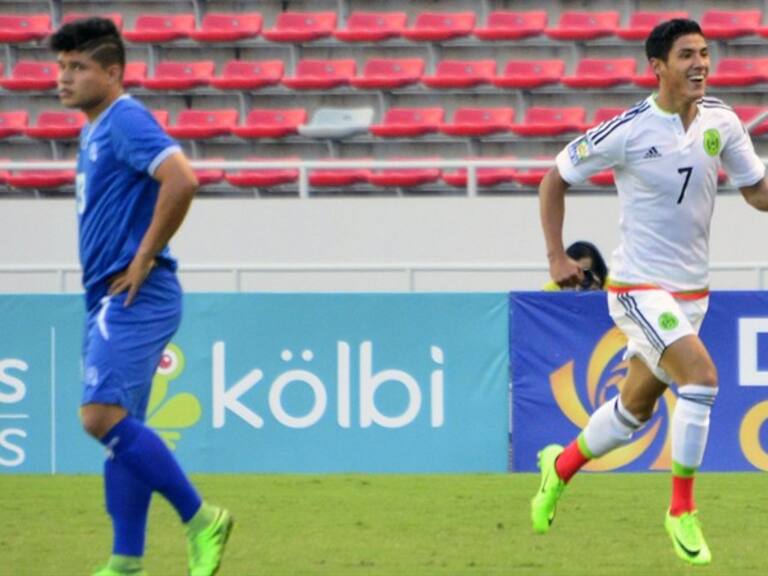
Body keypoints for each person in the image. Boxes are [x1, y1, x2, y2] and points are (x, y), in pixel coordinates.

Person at [533, 18, 768, 566]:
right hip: (638, 287)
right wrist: (556, 256)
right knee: (702, 380)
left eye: (705, 53)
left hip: (692, 295)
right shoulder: (629, 130)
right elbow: (553, 180)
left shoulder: (723, 123)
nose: (700, 64)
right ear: (657, 66)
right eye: (686, 55)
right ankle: (681, 509)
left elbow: (757, 194)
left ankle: (559, 467)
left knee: (634, 411)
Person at [50, 18, 233, 576]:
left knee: (98, 415)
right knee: (120, 431)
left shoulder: (125, 118)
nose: (64, 78)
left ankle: (203, 521)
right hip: (108, 294)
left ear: (113, 71)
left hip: (136, 292)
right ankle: (125, 562)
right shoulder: (95, 127)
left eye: (78, 67)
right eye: (61, 67)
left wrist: (144, 257)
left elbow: (182, 179)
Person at [542, 241, 607, 291]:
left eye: (586, 272)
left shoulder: (611, 287)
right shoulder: (552, 289)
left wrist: (599, 293)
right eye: (576, 271)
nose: (581, 278)